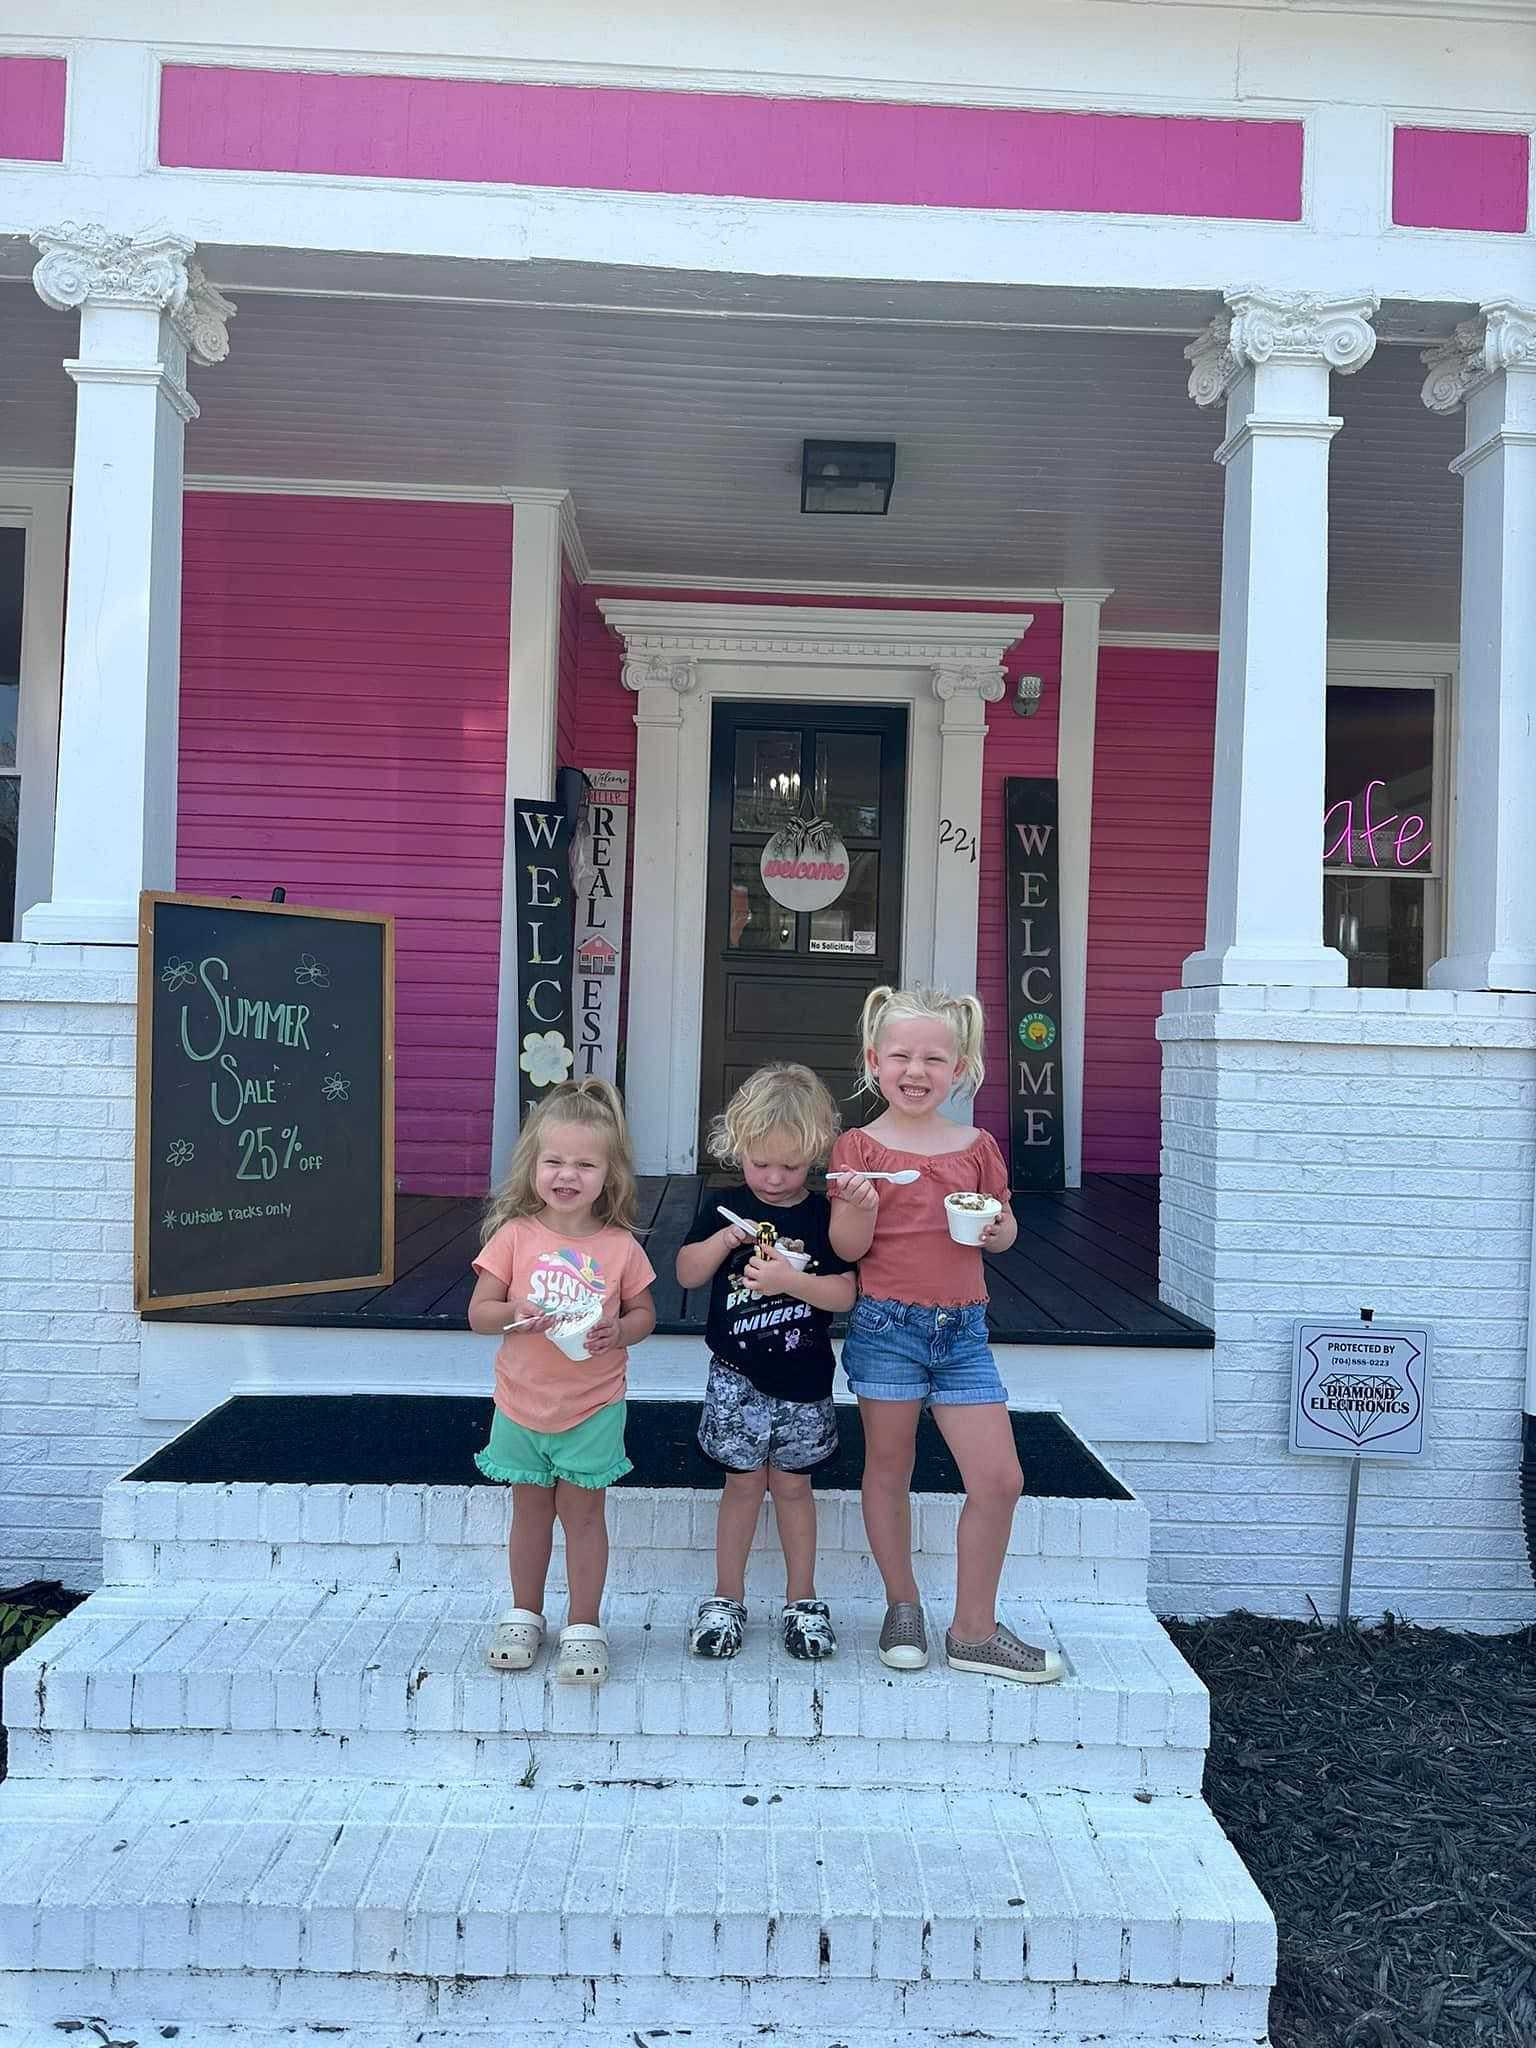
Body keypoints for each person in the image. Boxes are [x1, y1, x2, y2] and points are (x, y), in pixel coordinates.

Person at [828, 986, 1064, 1685]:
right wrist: (863, 1207)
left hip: (962, 1333)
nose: (916, 1070)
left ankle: (973, 1630)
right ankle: (902, 1604)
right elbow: (845, 1248)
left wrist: (998, 1230)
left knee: (1000, 1479)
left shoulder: (978, 1147)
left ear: (960, 1068)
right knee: (889, 1470)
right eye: (900, 1055)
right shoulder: (859, 1146)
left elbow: (1006, 1229)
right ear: (874, 1060)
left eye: (935, 1057)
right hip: (886, 1325)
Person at [468, 1077, 656, 1687]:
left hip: (592, 1404)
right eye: (554, 1161)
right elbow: (479, 1315)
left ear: (609, 1174)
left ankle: (584, 1624)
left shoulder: (620, 1246)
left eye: (584, 1163)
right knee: (529, 1512)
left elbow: (644, 1315)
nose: (567, 1174)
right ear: (532, 1166)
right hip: (521, 1402)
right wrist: (521, 1315)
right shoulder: (516, 1236)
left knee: (584, 1515)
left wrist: (621, 1333)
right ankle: (524, 1613)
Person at [676, 1064, 856, 1661]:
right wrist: (725, 1241)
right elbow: (686, 1273)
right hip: (735, 1380)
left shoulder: (824, 1216)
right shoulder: (724, 1206)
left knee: (795, 1489)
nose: (774, 1178)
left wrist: (789, 1280)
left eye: (791, 1165)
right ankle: (726, 1598)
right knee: (741, 1487)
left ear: (815, 1154)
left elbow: (845, 1294)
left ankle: (802, 1600)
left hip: (804, 1381)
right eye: (761, 1163)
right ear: (738, 1147)